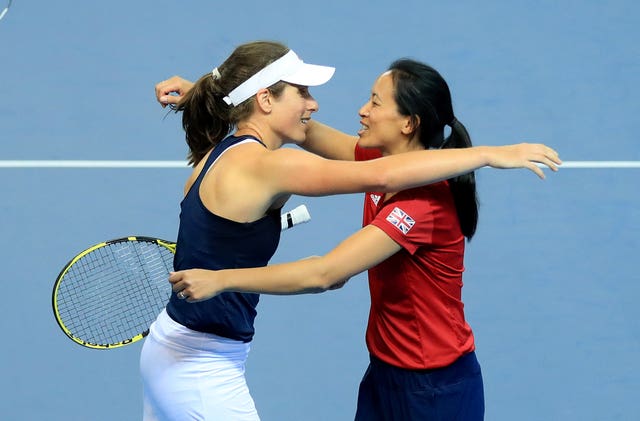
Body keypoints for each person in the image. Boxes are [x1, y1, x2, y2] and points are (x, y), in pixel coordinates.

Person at [148, 40, 560, 421]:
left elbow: (326, 272)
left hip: (434, 386)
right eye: (302, 93)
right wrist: (214, 94)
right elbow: (326, 144)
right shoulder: (358, 161)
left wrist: (489, 155)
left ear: (407, 124)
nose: (359, 110)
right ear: (264, 99)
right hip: (382, 373)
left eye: (375, 102)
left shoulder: (421, 203)